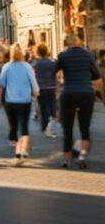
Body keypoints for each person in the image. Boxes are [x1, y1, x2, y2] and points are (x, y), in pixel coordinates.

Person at [56, 34, 101, 169]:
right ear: (79, 42)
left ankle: (66, 160)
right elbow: (96, 76)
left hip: (68, 92)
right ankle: (81, 157)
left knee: (67, 128)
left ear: (67, 44)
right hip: (86, 93)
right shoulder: (88, 55)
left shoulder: (62, 56)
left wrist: (58, 88)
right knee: (84, 127)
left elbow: (54, 72)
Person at [0, 43, 39, 165]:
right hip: (25, 100)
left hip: (10, 101)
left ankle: (18, 153)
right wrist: (36, 93)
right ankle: (22, 151)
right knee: (24, 127)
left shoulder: (7, 67)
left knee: (13, 128)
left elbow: (1, 84)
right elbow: (33, 82)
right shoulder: (27, 67)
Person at [32, 43, 58, 138]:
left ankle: (44, 125)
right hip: (50, 87)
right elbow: (54, 76)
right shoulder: (52, 63)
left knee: (43, 108)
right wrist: (56, 87)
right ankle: (50, 126)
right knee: (52, 107)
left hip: (40, 88)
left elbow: (34, 76)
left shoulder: (35, 63)